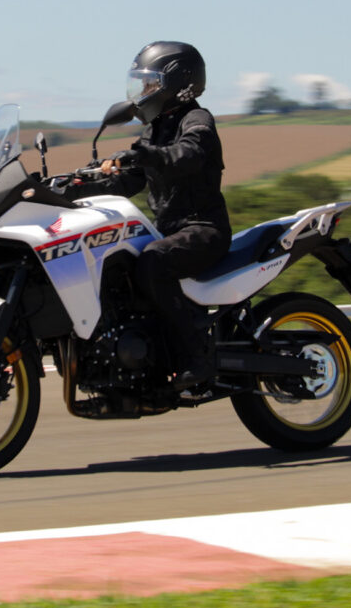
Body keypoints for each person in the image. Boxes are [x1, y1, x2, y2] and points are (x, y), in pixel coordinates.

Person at [69, 41, 231, 390]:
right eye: (142, 83)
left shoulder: (196, 120)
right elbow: (130, 181)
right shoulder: (155, 129)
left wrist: (145, 155)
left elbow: (188, 154)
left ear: (179, 83)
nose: (143, 92)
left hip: (203, 228)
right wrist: (76, 189)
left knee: (153, 262)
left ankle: (196, 358)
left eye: (150, 83)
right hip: (168, 230)